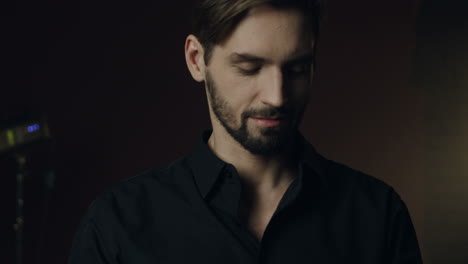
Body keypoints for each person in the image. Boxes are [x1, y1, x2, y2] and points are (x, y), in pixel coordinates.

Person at [69, 0, 422, 263]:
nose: (277, 96)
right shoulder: (116, 224)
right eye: (250, 68)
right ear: (197, 59)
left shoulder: (378, 215)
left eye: (298, 69)